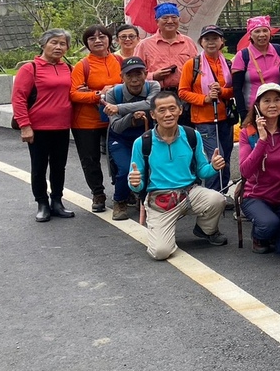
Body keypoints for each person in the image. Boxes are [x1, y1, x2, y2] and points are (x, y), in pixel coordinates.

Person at [127, 91, 229, 260]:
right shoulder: (142, 142)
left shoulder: (191, 136)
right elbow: (137, 182)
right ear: (152, 114)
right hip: (159, 200)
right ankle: (163, 233)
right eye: (162, 110)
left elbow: (202, 170)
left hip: (189, 193)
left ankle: (205, 230)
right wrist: (135, 183)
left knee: (217, 199)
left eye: (172, 108)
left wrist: (213, 167)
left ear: (180, 110)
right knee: (160, 252)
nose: (168, 114)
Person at [13, 29, 75, 222]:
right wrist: (25, 125)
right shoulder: (30, 68)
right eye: (54, 42)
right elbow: (19, 98)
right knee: (39, 167)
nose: (58, 47)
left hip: (62, 127)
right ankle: (42, 203)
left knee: (59, 167)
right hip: (38, 128)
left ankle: (57, 201)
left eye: (62, 44)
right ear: (43, 44)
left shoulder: (68, 68)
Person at [239, 83, 280, 256]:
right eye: (267, 101)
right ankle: (259, 236)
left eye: (277, 100)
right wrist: (262, 140)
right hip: (256, 197)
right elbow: (245, 171)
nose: (272, 105)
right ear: (257, 105)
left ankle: (276, 230)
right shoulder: (248, 132)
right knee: (268, 224)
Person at [70, 25, 123, 213]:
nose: (98, 41)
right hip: (86, 121)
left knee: (119, 156)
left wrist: (113, 89)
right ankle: (98, 193)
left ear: (110, 40)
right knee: (90, 159)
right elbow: (74, 94)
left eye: (102, 37)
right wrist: (99, 94)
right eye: (92, 39)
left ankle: (122, 192)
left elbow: (130, 85)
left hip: (114, 118)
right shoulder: (82, 66)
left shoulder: (119, 60)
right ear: (87, 44)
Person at [178, 25, 236, 191]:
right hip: (204, 120)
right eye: (207, 39)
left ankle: (223, 191)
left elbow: (234, 90)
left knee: (226, 157)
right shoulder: (192, 65)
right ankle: (213, 193)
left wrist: (222, 92)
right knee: (215, 158)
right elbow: (182, 92)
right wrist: (205, 98)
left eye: (215, 38)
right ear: (201, 42)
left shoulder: (228, 64)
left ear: (221, 42)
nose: (211, 42)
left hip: (225, 118)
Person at [103, 57, 160, 221]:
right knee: (127, 169)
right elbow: (116, 126)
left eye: (139, 74)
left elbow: (151, 104)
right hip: (121, 138)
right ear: (122, 76)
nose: (135, 80)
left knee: (154, 168)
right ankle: (119, 201)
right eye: (129, 75)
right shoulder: (113, 94)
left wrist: (119, 109)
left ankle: (145, 198)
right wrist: (131, 117)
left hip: (147, 137)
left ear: (146, 74)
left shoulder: (154, 86)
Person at [232, 15, 280, 122]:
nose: (262, 35)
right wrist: (243, 114)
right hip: (252, 110)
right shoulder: (243, 56)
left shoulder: (279, 51)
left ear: (270, 33)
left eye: (265, 30)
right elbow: (237, 88)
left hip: (277, 109)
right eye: (257, 31)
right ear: (250, 35)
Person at [133, 2, 198, 92]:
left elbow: (198, 70)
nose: (170, 21)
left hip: (185, 93)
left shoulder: (188, 42)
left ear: (179, 19)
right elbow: (134, 73)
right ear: (157, 21)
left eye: (174, 17)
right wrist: (153, 76)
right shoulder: (144, 45)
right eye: (165, 18)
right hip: (155, 93)